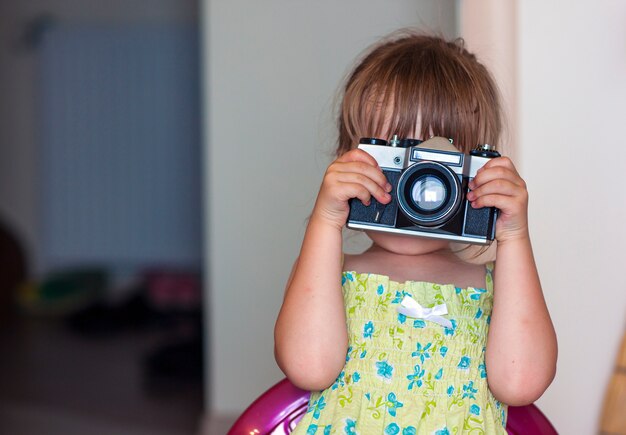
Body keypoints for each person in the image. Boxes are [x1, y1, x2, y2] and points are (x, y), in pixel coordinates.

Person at [274, 31, 557, 434]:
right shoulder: (327, 273)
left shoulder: (498, 286)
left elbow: (521, 383)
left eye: (440, 162)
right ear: (349, 159)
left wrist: (513, 236)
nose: (421, 184)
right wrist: (326, 220)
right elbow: (308, 367)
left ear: (475, 172)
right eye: (397, 157)